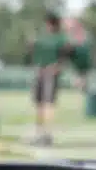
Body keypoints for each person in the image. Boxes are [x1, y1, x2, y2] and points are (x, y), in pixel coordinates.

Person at [31, 14, 75, 146]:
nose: (48, 26)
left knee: (48, 103)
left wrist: (58, 66)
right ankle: (38, 132)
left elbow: (68, 53)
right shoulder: (42, 37)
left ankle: (47, 134)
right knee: (39, 102)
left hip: (52, 73)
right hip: (40, 72)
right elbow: (35, 52)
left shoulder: (61, 38)